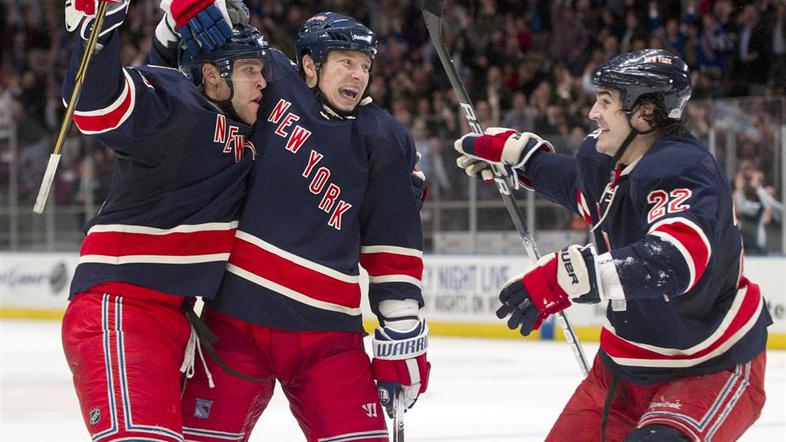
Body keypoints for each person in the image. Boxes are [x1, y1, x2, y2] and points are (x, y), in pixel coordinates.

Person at [453, 49, 771, 441]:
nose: (593, 113)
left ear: (644, 113)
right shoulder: (605, 157)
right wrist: (523, 159)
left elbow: (674, 259)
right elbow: (583, 189)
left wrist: (569, 276)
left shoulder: (683, 168)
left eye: (606, 102)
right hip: (622, 366)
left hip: (708, 363)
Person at [178, 12, 430, 442]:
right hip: (235, 325)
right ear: (310, 66)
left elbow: (392, 250)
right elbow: (202, 79)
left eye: (365, 65)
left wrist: (403, 331)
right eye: (346, 61)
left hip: (328, 339)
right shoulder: (272, 81)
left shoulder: (384, 138)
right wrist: (201, 16)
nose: (358, 74)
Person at [59, 1, 269, 440]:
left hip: (175, 320)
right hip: (120, 309)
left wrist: (175, 23)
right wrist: (95, 29)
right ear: (213, 75)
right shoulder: (175, 101)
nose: (263, 82)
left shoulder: (246, 131)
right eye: (251, 69)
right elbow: (96, 108)